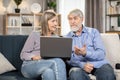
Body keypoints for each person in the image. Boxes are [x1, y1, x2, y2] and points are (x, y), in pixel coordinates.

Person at [66, 9, 116, 80]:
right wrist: (82, 65)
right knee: (75, 75)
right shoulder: (67, 37)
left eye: (75, 18)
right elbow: (68, 59)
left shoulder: (93, 32)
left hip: (99, 64)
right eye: (70, 19)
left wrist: (86, 53)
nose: (72, 21)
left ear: (82, 19)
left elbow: (101, 53)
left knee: (107, 75)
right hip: (79, 66)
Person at [20, 10, 67, 80]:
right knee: (58, 61)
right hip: (29, 66)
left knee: (49, 72)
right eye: (53, 21)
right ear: (45, 22)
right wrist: (33, 57)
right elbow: (23, 54)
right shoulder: (35, 34)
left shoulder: (56, 38)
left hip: (47, 64)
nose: (56, 24)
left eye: (56, 21)